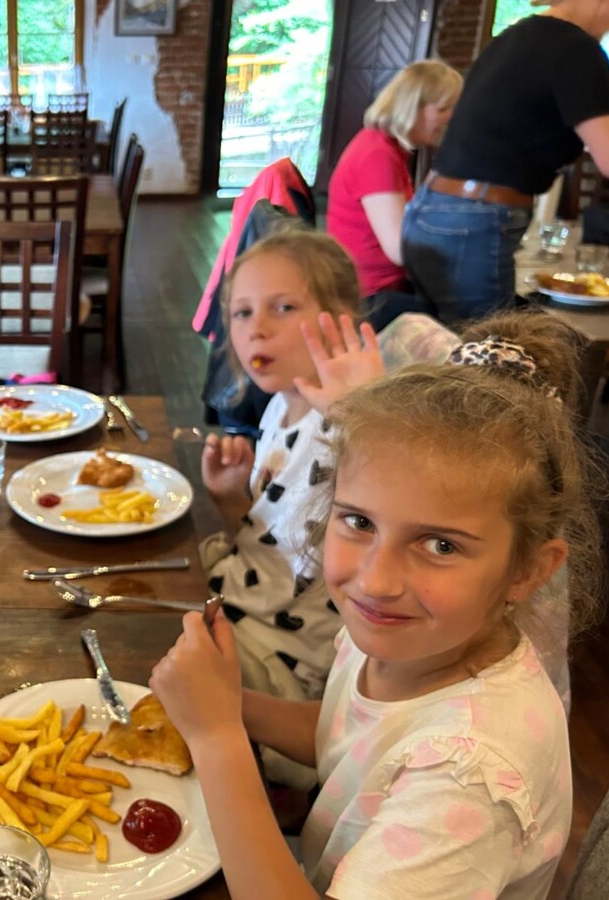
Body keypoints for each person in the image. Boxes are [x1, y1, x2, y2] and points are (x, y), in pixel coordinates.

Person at [151, 309, 603, 898]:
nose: (377, 578)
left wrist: (216, 737)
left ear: (528, 571)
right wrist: (227, 705)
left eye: (441, 545)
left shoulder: (470, 771)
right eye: (360, 522)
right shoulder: (406, 635)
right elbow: (346, 734)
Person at [197, 230, 381, 787]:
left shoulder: (354, 427)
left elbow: (401, 496)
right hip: (243, 604)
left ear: (342, 319)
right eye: (242, 312)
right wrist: (231, 498)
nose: (257, 328)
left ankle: (274, 791)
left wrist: (364, 411)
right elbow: (275, 541)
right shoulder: (281, 405)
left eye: (283, 307)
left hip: (287, 666)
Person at [402, 0, 609, 321]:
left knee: (449, 339)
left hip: (432, 209)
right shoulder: (577, 49)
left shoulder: (518, 36)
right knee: (488, 345)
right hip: (475, 217)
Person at [327, 60, 461, 304]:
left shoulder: (384, 146)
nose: (450, 118)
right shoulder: (377, 155)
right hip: (369, 296)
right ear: (412, 107)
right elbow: (399, 250)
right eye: (443, 108)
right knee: (465, 309)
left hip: (376, 286)